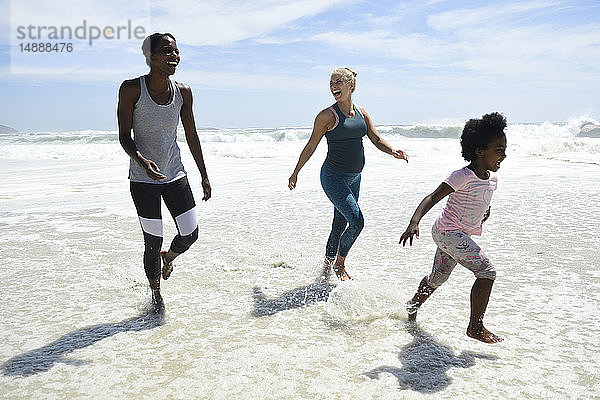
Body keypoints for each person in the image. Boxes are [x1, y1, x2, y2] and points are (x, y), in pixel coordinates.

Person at [117, 33, 211, 312]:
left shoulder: (183, 92)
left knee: (190, 233)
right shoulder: (131, 89)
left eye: (177, 51)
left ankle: (168, 257)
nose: (174, 56)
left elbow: (192, 135)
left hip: (175, 175)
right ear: (151, 57)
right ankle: (157, 296)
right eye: (167, 51)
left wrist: (204, 174)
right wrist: (141, 160)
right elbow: (124, 136)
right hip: (143, 180)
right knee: (152, 240)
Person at [289, 67, 408, 280]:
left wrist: (393, 151)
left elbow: (376, 138)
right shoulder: (327, 115)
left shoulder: (362, 113)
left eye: (338, 82)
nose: (333, 86)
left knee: (340, 223)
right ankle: (339, 264)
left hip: (355, 177)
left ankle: (325, 269)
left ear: (351, 85)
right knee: (357, 221)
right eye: (331, 83)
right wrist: (296, 172)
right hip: (333, 176)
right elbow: (311, 145)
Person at [399, 112, 507, 344]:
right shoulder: (462, 176)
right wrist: (414, 222)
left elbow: (479, 203)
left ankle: (412, 306)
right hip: (448, 233)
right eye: (498, 150)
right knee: (487, 272)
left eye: (504, 150)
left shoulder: (491, 180)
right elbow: (433, 197)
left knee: (438, 278)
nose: (504, 155)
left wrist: (484, 214)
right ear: (479, 151)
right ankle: (475, 327)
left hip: (453, 235)